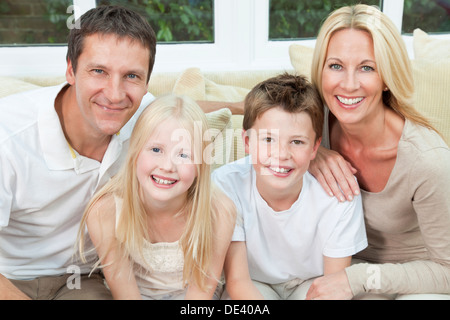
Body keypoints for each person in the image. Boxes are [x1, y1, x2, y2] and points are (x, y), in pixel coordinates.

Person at [0, 5, 236, 300]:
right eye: (99, 71)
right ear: (71, 70)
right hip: (13, 279)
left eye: (132, 76)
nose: (114, 94)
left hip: (86, 278)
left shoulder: (140, 115)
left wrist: (257, 114)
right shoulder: (8, 139)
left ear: (146, 82)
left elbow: (181, 112)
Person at [306, 4, 450, 300]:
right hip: (339, 268)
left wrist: (359, 278)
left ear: (387, 78)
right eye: (335, 66)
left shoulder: (428, 161)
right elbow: (256, 114)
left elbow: (447, 270)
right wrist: (310, 151)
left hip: (415, 279)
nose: (347, 84)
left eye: (367, 67)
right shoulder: (310, 120)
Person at [212, 74, 367, 300]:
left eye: (297, 142)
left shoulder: (339, 192)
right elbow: (237, 282)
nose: (281, 155)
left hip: (315, 281)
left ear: (315, 148)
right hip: (253, 282)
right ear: (247, 142)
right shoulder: (226, 185)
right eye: (268, 139)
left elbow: (333, 287)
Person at [78, 94, 236, 300]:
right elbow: (123, 288)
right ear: (134, 153)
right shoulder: (106, 209)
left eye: (183, 155)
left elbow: (202, 290)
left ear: (200, 166)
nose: (167, 166)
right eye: (155, 149)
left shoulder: (219, 210)